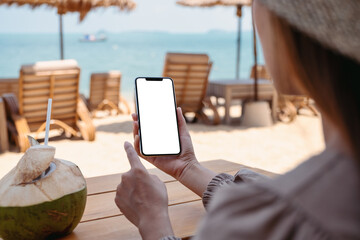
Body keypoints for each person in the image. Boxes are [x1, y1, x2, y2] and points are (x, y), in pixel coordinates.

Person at [115, 0, 360, 239]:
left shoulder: (277, 221)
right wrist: (188, 167)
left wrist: (154, 222)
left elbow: (270, 214)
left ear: (292, 27)